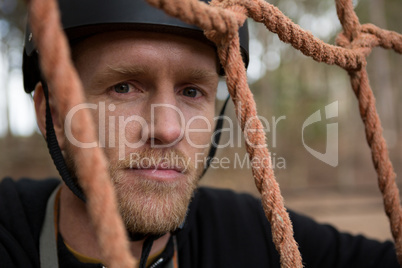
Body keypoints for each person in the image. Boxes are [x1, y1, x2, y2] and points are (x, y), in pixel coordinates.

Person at [0, 0, 399, 267]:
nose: (168, 129)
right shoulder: (10, 229)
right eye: (124, 87)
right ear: (52, 113)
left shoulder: (247, 231)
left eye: (192, 92)